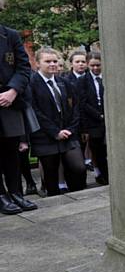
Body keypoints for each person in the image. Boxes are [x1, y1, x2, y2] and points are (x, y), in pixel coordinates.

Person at [29, 47, 87, 196]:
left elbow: (75, 107)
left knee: (78, 168)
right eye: (47, 61)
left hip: (68, 134)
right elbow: (34, 111)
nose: (53, 64)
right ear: (37, 64)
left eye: (55, 61)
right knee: (51, 176)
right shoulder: (31, 84)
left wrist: (70, 129)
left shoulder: (64, 82)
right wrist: (55, 132)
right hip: (46, 137)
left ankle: (77, 198)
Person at [0, 22, 38, 214]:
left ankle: (16, 193)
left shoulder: (11, 36)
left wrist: (13, 91)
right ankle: (1, 196)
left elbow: (24, 68)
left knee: (12, 150)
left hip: (9, 101)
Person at [79, 51, 108, 185]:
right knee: (98, 150)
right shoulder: (83, 81)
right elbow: (83, 103)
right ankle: (103, 175)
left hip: (108, 118)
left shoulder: (107, 77)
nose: (96, 68)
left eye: (98, 65)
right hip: (94, 121)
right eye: (92, 66)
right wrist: (99, 115)